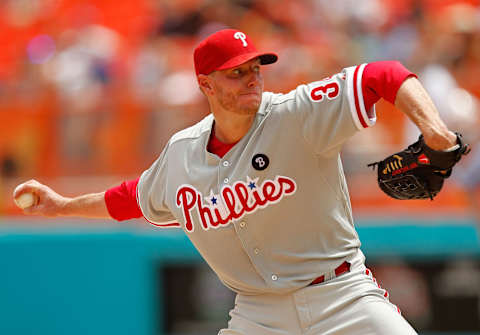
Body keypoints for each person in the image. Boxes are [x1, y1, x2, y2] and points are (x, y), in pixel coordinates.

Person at [14, 29, 460, 334]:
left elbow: (384, 75)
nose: (251, 78)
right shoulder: (182, 153)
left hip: (342, 296)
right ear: (206, 85)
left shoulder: (296, 113)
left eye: (255, 68)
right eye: (236, 72)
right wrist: (63, 205)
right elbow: (132, 197)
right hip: (258, 313)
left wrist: (436, 134)